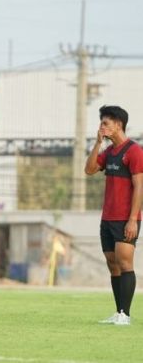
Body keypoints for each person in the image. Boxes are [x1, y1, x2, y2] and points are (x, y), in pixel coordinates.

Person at [85, 105, 143, 326]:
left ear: (118, 125)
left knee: (125, 262)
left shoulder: (134, 151)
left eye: (105, 123)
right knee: (112, 264)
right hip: (107, 218)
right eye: (101, 123)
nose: (101, 127)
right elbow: (89, 170)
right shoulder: (108, 152)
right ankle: (118, 311)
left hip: (125, 218)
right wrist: (98, 142)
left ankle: (125, 315)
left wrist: (132, 219)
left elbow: (139, 187)